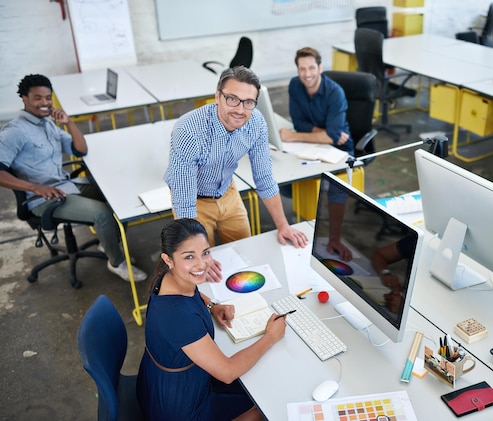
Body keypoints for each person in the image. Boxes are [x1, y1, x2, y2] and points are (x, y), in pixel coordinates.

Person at [0, 74, 147, 282]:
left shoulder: (47, 124)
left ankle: (107, 244)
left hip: (65, 185)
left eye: (48, 98)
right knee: (102, 213)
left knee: (118, 197)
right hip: (42, 198)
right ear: (24, 98)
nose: (45, 103)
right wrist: (34, 187)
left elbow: (80, 149)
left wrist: (68, 122)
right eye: (37, 98)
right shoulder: (14, 132)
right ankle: (117, 262)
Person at [136, 218, 286, 421]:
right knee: (269, 406)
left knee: (260, 381)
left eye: (205, 252)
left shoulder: (169, 277)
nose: (201, 264)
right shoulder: (179, 317)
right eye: (189, 257)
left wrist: (212, 306)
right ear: (168, 259)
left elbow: (193, 293)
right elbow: (227, 372)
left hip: (165, 382)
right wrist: (270, 337)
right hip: (180, 406)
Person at [164, 66, 307, 261]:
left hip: (228, 192)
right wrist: (199, 254)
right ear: (217, 97)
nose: (240, 110)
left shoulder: (256, 122)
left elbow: (264, 178)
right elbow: (185, 202)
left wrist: (283, 226)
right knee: (203, 268)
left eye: (248, 102)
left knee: (246, 257)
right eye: (232, 99)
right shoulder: (189, 130)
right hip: (194, 200)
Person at [279, 47, 354, 156]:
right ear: (298, 71)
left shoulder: (335, 93)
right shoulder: (295, 85)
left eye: (311, 68)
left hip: (339, 149)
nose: (307, 74)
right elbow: (299, 124)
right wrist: (326, 135)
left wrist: (293, 136)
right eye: (302, 69)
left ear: (320, 68)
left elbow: (334, 138)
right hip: (312, 146)